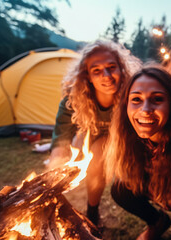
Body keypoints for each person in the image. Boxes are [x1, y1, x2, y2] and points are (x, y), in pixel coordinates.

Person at [48, 40, 141, 226]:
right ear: (88, 76)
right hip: (90, 140)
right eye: (96, 70)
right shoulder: (74, 98)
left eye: (111, 67)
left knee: (100, 150)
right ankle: (93, 211)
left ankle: (94, 211)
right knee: (92, 151)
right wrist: (53, 172)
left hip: (125, 142)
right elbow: (61, 137)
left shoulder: (133, 93)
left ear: (122, 68)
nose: (106, 76)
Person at [104, 66, 171, 240]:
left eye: (157, 99)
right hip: (159, 194)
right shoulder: (129, 137)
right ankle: (158, 221)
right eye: (136, 99)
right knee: (120, 189)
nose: (145, 109)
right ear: (126, 105)